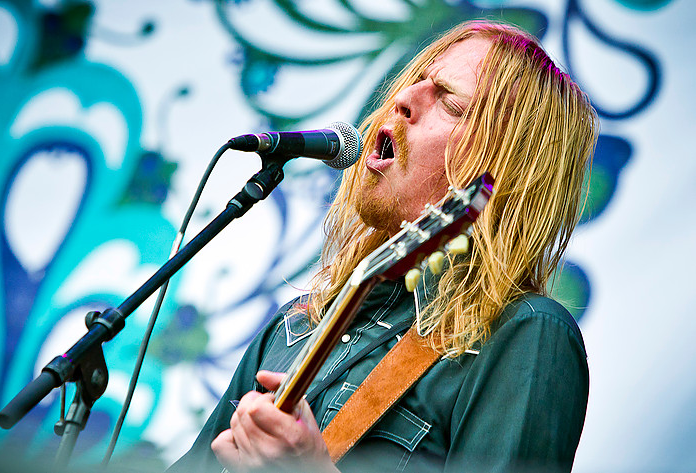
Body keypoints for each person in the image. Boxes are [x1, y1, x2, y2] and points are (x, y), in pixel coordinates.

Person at [169, 19, 598, 473]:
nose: (403, 99)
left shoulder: (526, 335)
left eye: (450, 102)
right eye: (416, 81)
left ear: (503, 173)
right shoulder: (296, 326)